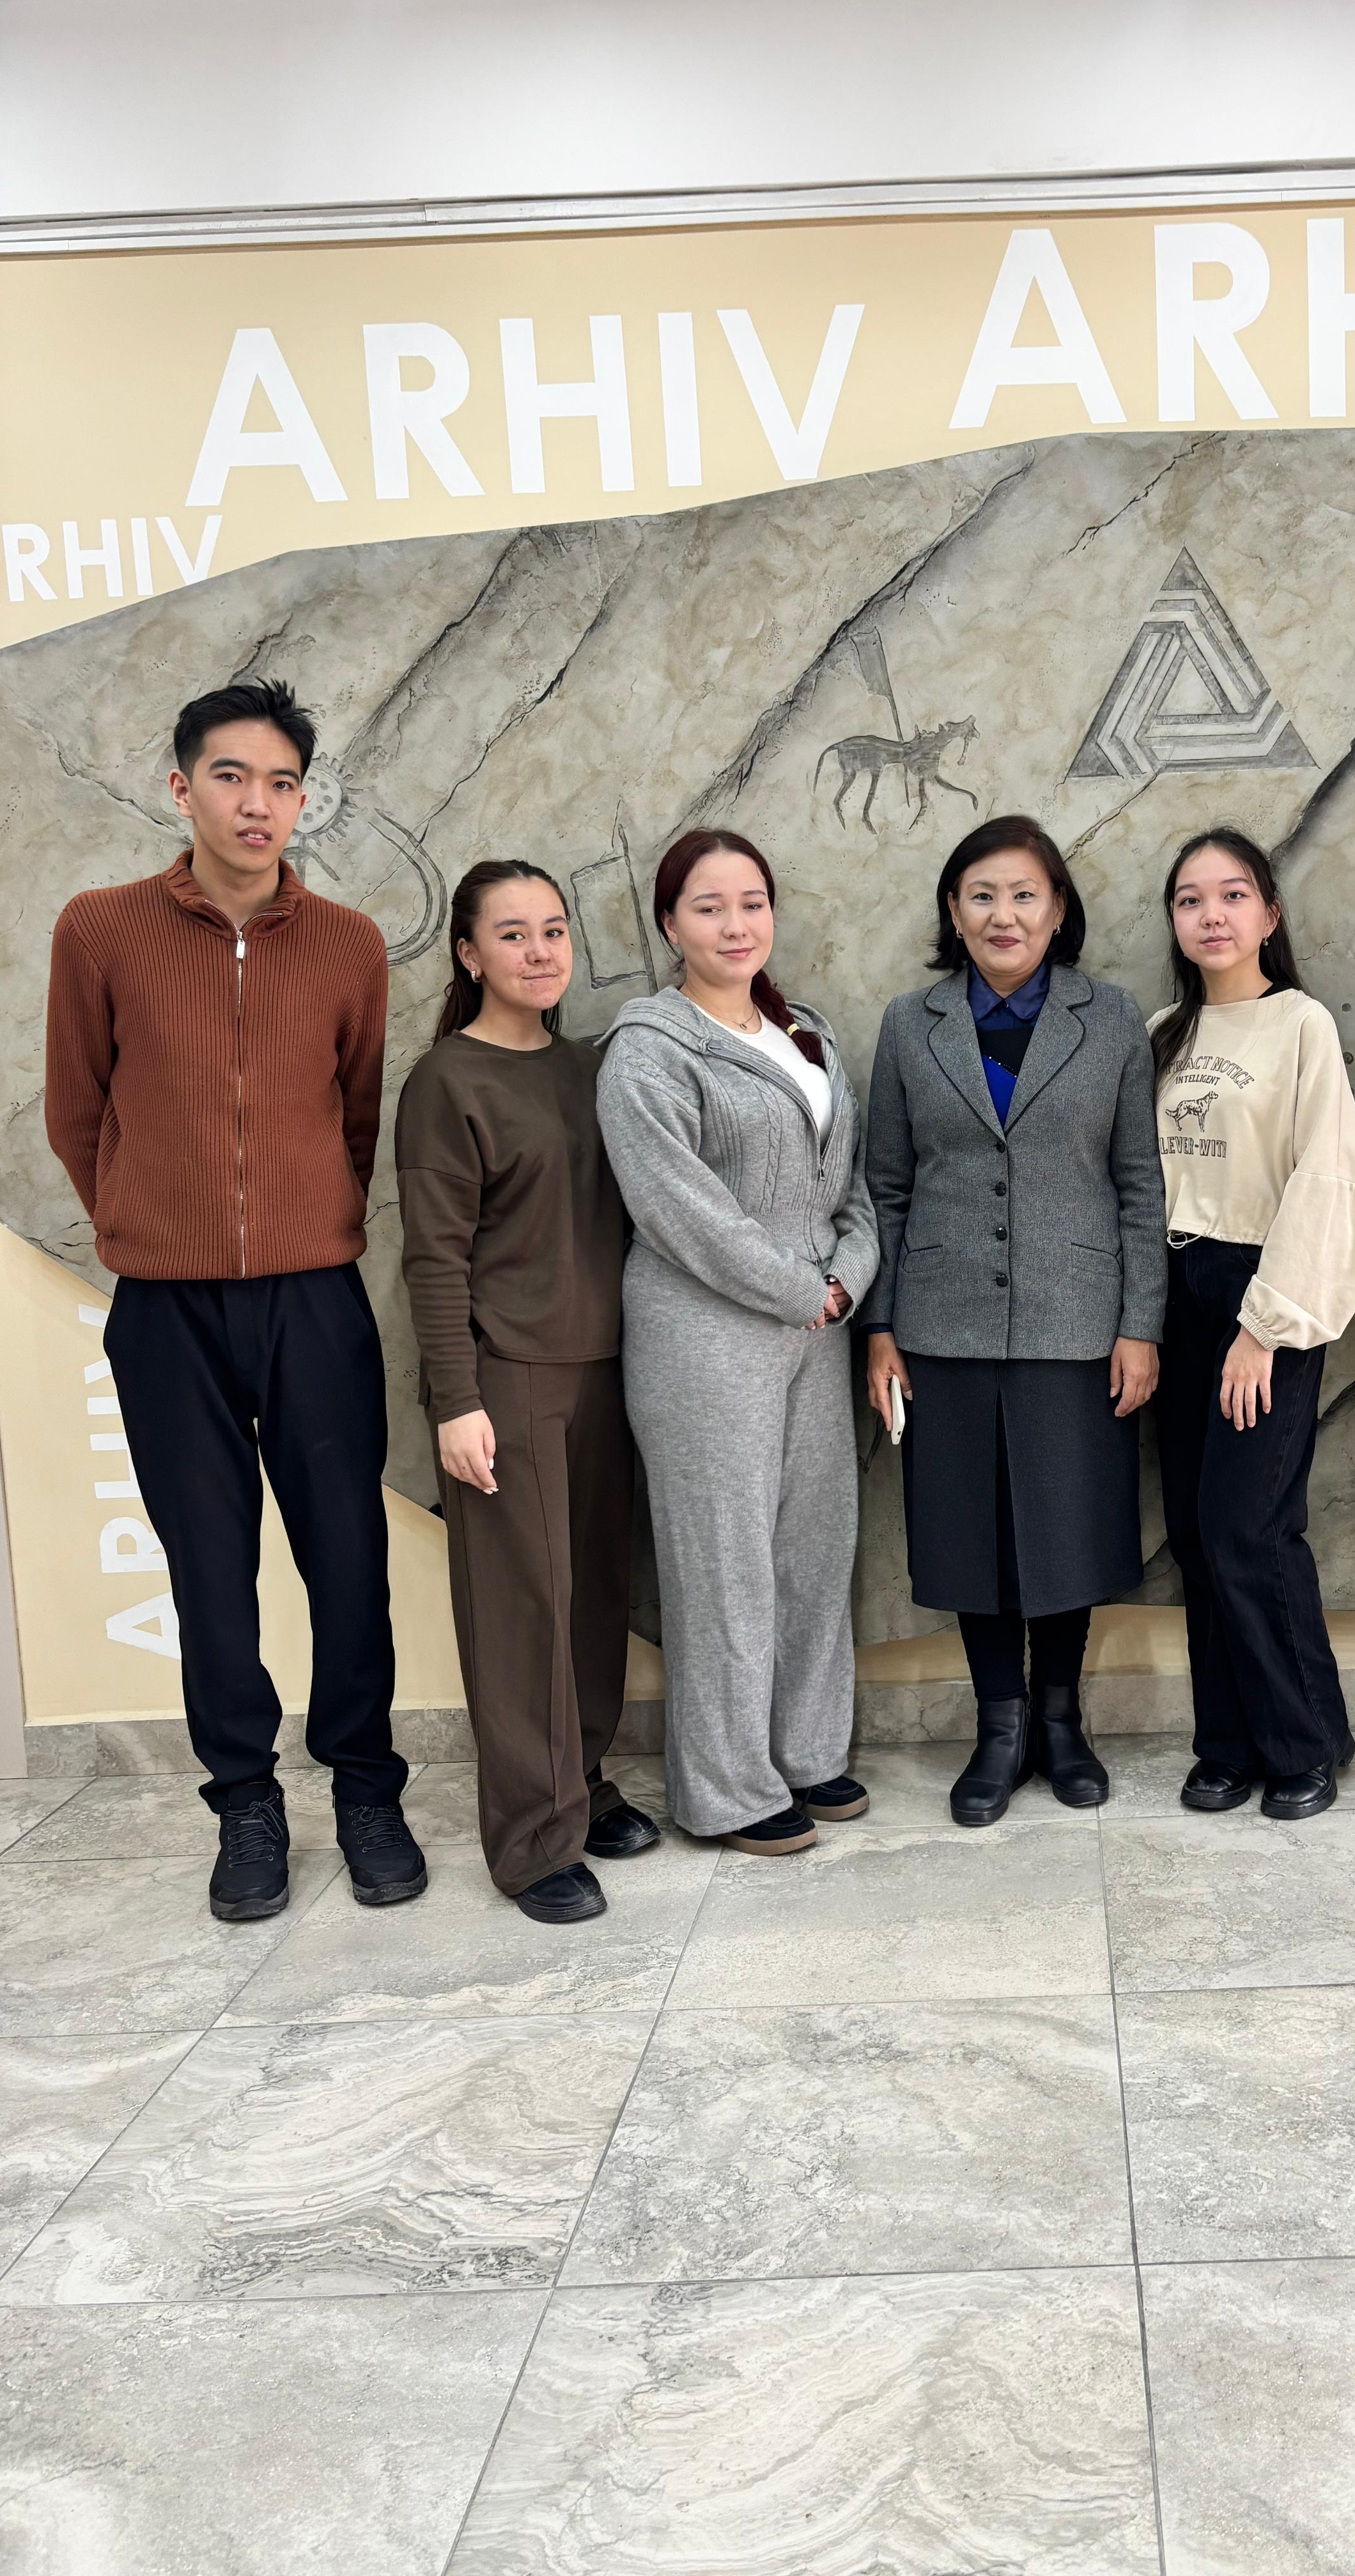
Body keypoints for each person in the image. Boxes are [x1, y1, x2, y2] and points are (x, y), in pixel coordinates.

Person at [43, 679, 426, 1920]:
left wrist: (308, 1220)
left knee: (348, 1560)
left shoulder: (350, 944)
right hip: (165, 1311)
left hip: (314, 1299)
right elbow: (75, 1108)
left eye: (279, 784)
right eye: (229, 777)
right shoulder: (98, 930)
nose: (256, 804)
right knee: (208, 1569)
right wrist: (147, 1226)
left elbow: (355, 1114)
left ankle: (368, 1792)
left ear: (303, 802)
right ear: (180, 786)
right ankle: (246, 1807)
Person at [863, 814, 1167, 1826]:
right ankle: (997, 1729)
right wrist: (880, 1326)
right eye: (983, 894)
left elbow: (1137, 1183)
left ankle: (1061, 1723)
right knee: (969, 1534)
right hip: (941, 1327)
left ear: (1059, 909)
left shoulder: (1112, 1018)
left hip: (1077, 1323)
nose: (1004, 913)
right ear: (954, 909)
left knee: (1067, 1525)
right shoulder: (912, 1024)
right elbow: (887, 1186)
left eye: (1025, 894)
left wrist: (1141, 1326)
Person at [596, 829, 878, 1856]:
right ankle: (723, 1790)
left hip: (818, 1328)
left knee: (813, 1548)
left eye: (751, 902)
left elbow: (850, 1189)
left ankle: (806, 1753)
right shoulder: (648, 1048)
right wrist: (798, 1288)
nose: (734, 925)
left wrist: (846, 1278)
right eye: (708, 907)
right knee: (723, 1564)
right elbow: (679, 1208)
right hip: (704, 1338)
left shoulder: (811, 1037)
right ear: (670, 924)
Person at [395, 862, 653, 1923]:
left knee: (592, 1597)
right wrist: (456, 1400)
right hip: (508, 1377)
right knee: (522, 1613)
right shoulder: (447, 1081)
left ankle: (581, 1788)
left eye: (554, 930)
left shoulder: (596, 1066)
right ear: (468, 954)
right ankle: (531, 1840)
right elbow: (434, 1258)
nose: (542, 951)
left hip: (612, 1370)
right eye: (514, 934)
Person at [1149, 830, 1355, 1818]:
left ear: (1269, 916)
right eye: (1191, 899)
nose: (1212, 915)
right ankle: (1235, 1741)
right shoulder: (1165, 1032)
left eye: (1232, 895)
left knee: (1246, 1526)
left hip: (1263, 1289)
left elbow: (1328, 1180)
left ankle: (1300, 1750)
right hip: (1173, 1292)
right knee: (1206, 1538)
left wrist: (1265, 1327)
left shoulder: (1300, 1026)